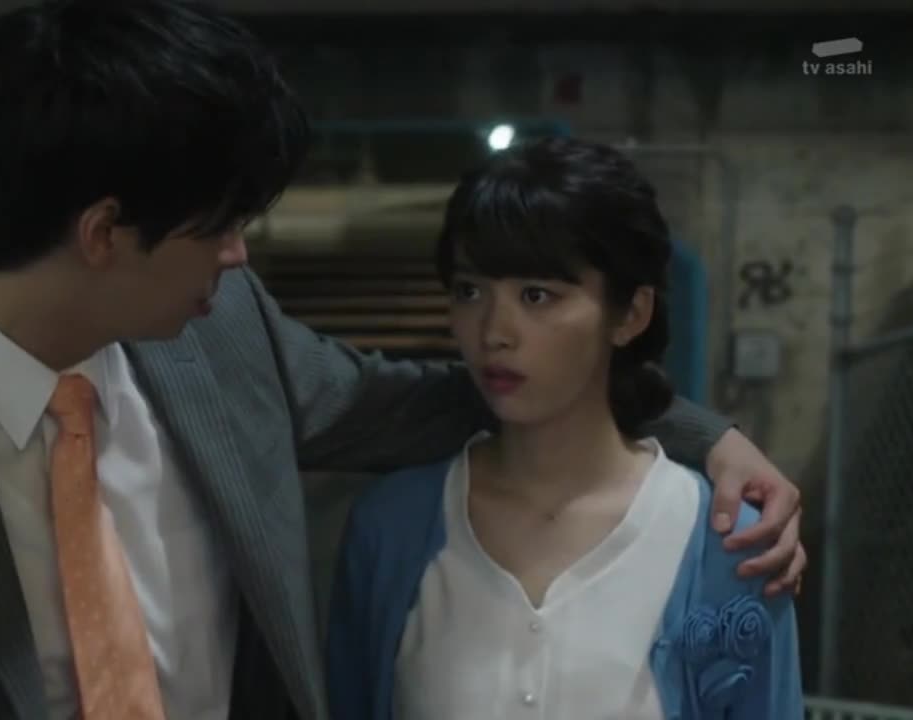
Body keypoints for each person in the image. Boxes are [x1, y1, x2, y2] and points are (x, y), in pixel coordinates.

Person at [0, 2, 805, 719]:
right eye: (220, 224)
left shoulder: (221, 340)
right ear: (103, 232)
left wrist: (707, 440)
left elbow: (468, 396)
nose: (239, 255)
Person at [325, 137, 804, 720]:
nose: (494, 331)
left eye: (537, 296)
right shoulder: (390, 526)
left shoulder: (728, 545)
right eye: (469, 291)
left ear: (631, 314)